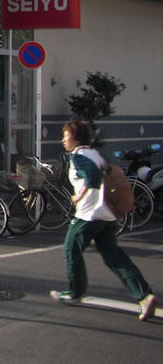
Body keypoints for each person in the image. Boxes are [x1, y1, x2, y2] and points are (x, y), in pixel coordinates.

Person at [50, 120, 156, 321]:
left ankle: (74, 292)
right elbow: (107, 172)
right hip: (108, 215)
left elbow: (93, 176)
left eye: (65, 136)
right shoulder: (95, 153)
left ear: (75, 138)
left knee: (71, 249)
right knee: (113, 256)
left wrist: (78, 197)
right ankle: (144, 296)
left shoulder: (79, 157)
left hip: (88, 214)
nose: (63, 140)